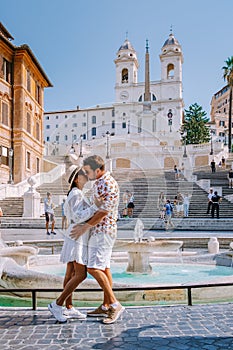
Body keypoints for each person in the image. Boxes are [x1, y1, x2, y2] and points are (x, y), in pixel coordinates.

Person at [70, 155, 125, 324]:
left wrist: (84, 227)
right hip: (100, 231)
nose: (86, 174)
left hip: (104, 230)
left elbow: (104, 212)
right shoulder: (99, 183)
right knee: (104, 268)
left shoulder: (107, 183)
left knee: (93, 268)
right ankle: (106, 304)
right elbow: (97, 206)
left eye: (88, 171)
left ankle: (115, 305)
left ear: (98, 170)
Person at [48, 165, 103, 322]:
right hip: (77, 233)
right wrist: (95, 207)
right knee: (81, 274)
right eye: (84, 175)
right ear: (77, 179)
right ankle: (57, 304)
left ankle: (69, 307)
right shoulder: (76, 194)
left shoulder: (75, 193)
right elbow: (79, 216)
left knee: (71, 272)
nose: (87, 176)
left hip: (75, 232)